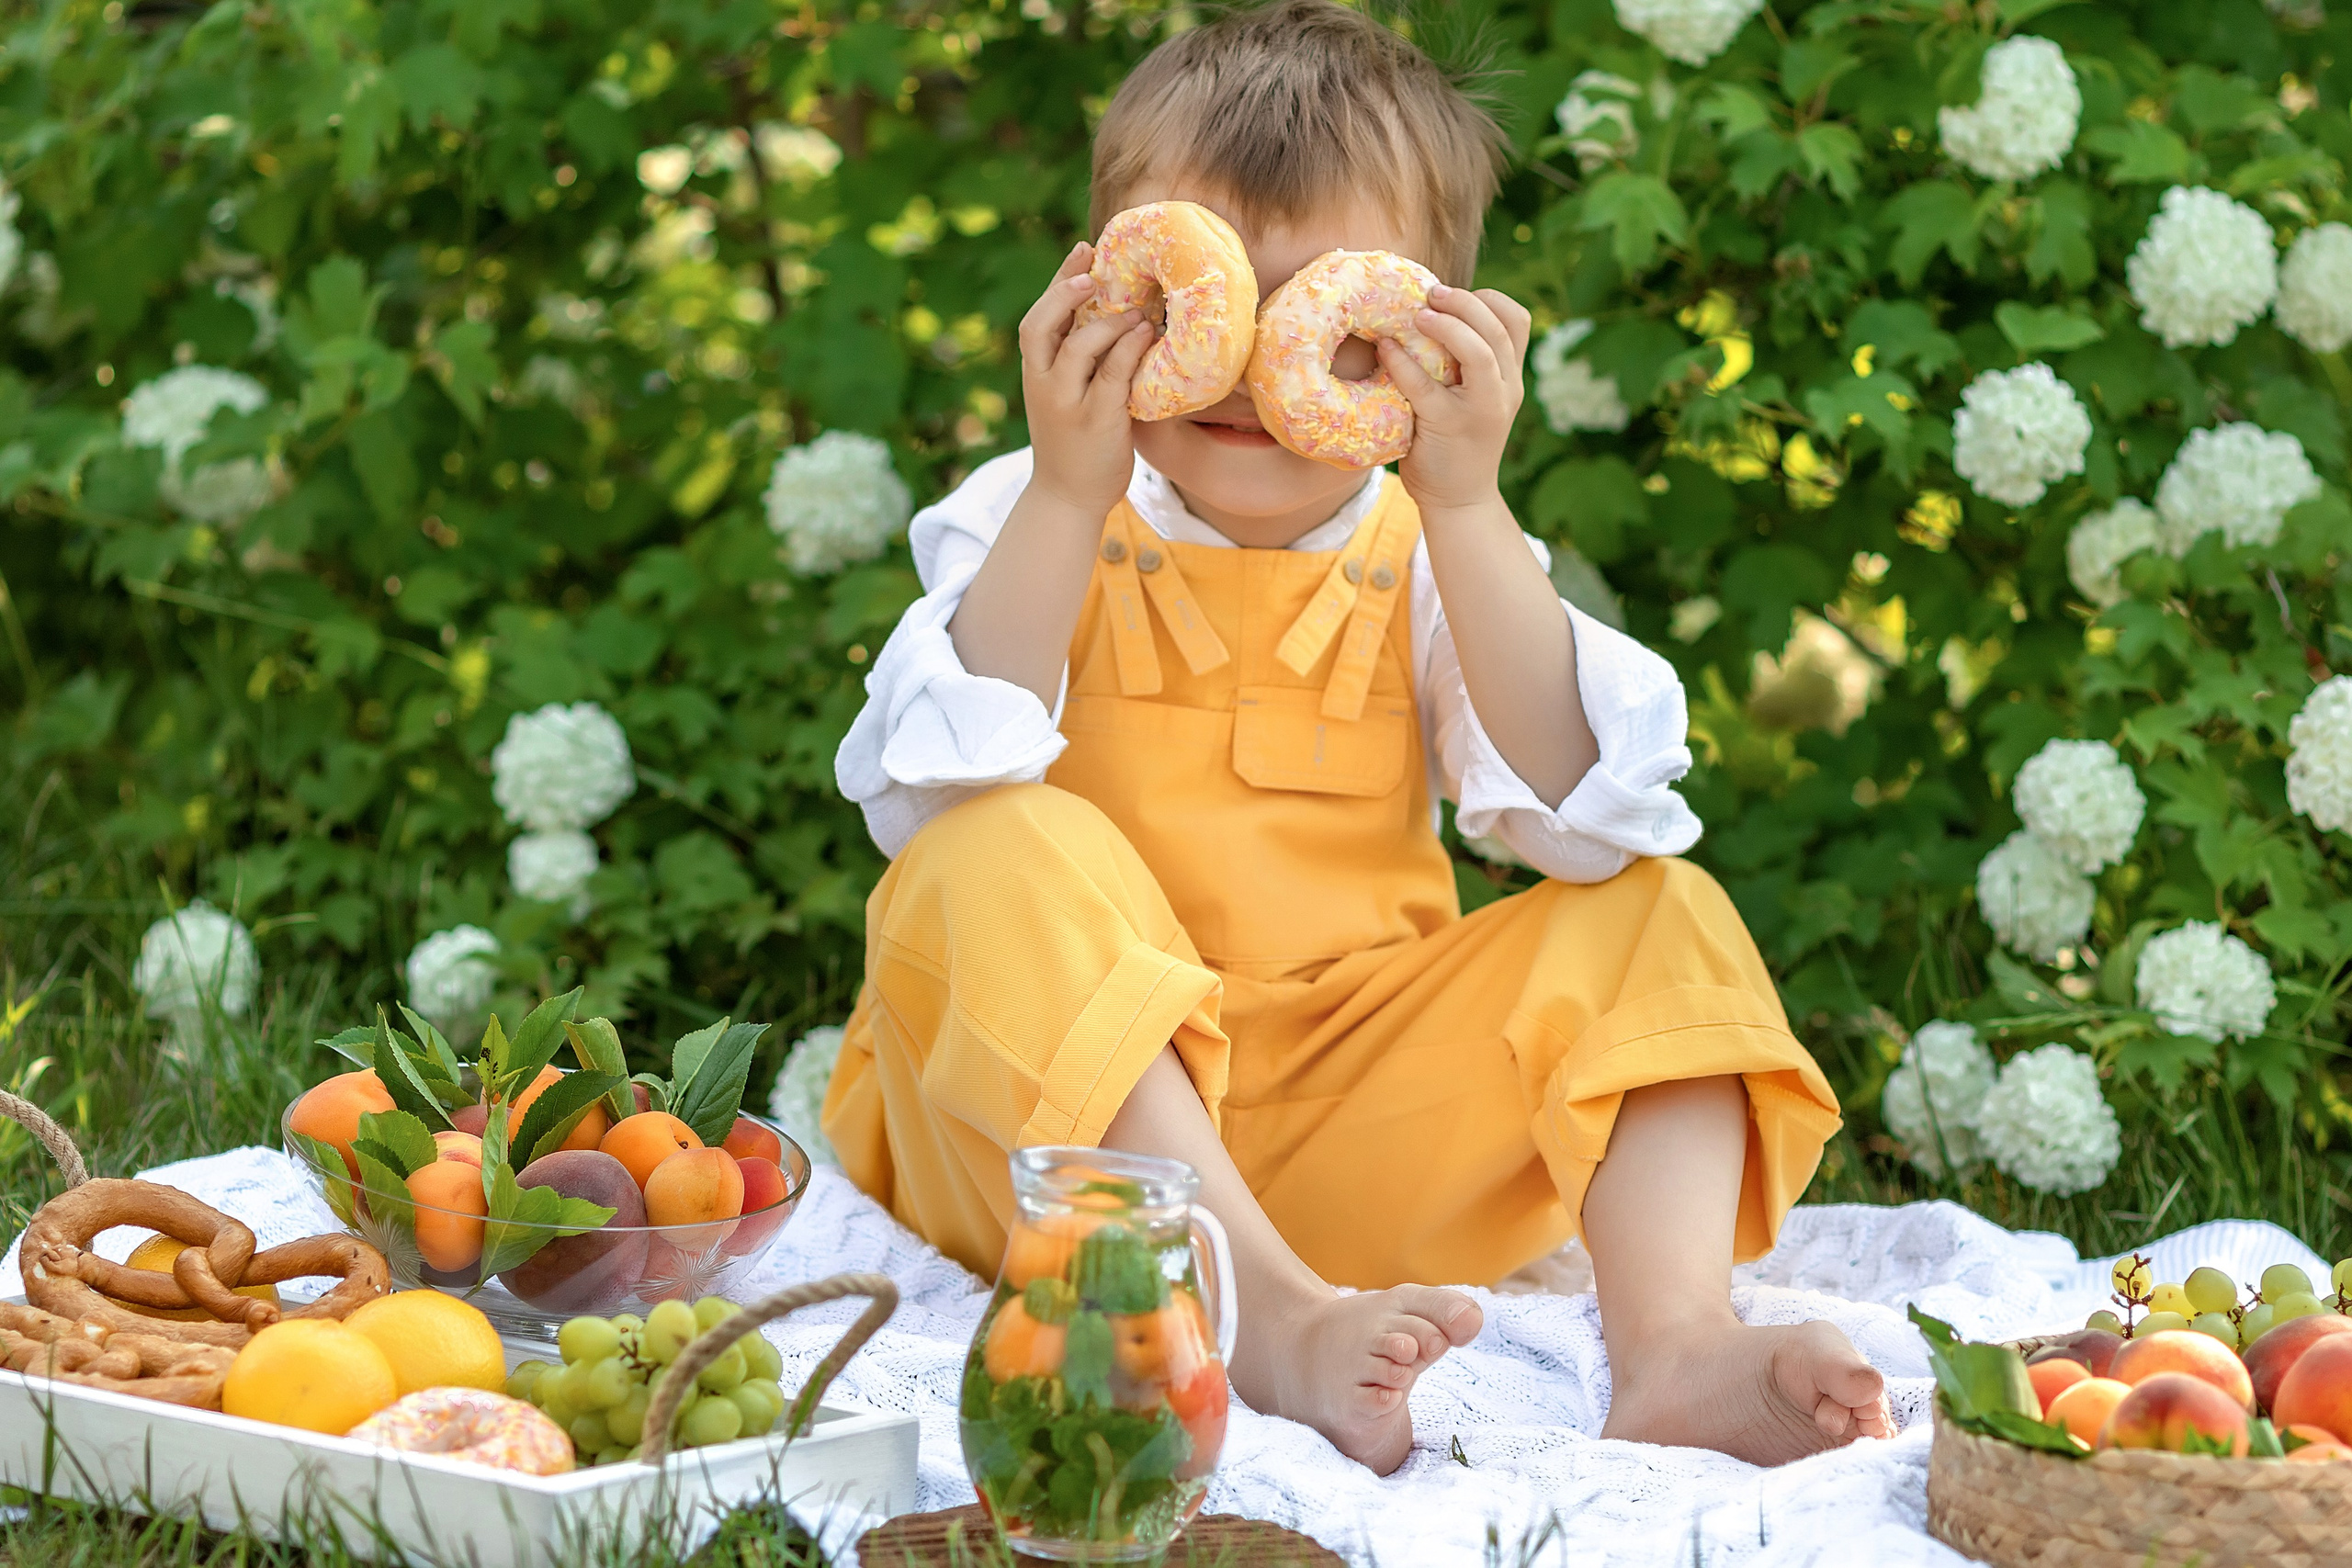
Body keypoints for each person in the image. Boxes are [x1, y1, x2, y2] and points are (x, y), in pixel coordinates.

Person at [823, 0, 1892, 1475]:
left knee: (1660, 910)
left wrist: (1466, 506)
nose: (1256, 365)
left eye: (1313, 308)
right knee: (986, 839)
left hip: (1358, 1115)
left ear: (1421, 325)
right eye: (1209, 304)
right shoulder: (1037, 507)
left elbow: (1592, 813)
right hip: (1050, 1145)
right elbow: (920, 788)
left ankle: (1678, 1346)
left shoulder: (1432, 548)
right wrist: (1067, 498)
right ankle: (1261, 1323)